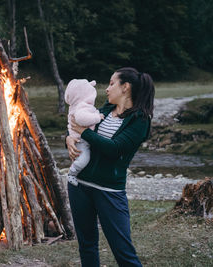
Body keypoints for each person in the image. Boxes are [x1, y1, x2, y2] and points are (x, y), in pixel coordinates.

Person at [66, 67, 155, 267]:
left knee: (123, 251)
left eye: (112, 83)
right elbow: (81, 132)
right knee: (87, 245)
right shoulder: (105, 109)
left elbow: (115, 149)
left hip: (109, 190)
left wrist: (84, 133)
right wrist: (69, 139)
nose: (107, 89)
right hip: (79, 186)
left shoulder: (140, 120)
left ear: (125, 87)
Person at [64, 79, 104, 186]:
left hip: (78, 138)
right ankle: (72, 173)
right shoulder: (82, 106)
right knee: (84, 159)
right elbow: (82, 119)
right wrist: (97, 117)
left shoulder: (76, 105)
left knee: (81, 157)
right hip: (80, 140)